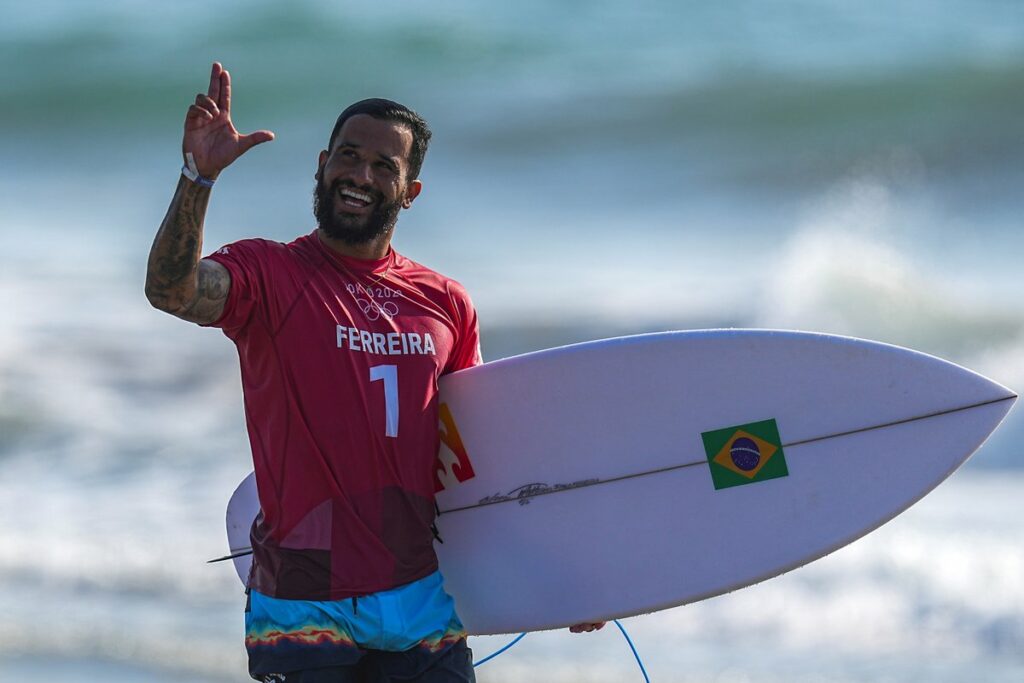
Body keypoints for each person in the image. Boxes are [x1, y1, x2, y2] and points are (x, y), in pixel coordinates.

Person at [145, 63, 603, 683]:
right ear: (322, 164)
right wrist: (198, 177)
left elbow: (475, 464)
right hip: (304, 604)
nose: (361, 175)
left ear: (410, 191)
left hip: (420, 604)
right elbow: (171, 290)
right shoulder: (269, 275)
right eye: (349, 156)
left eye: (384, 166)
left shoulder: (445, 303)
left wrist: (560, 580)